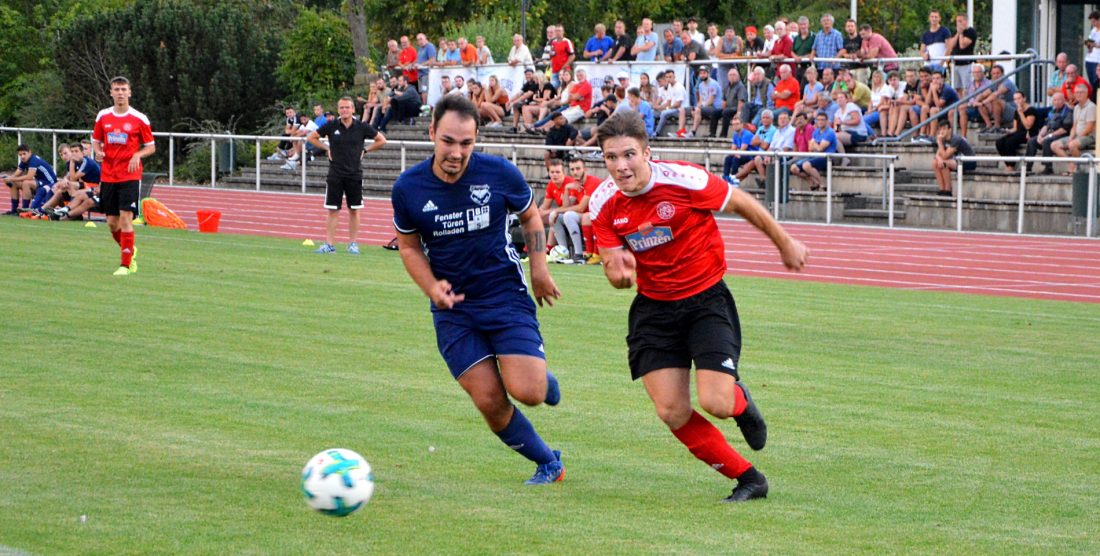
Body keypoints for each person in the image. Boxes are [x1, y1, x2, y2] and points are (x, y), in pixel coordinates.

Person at [588, 110, 808, 503]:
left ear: (647, 152)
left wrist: (784, 242)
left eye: (628, 155)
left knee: (716, 403)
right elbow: (613, 265)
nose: (620, 167)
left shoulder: (684, 179)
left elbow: (741, 202)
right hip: (654, 309)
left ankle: (740, 404)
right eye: (610, 158)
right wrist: (617, 274)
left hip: (705, 299)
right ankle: (749, 480)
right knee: (672, 411)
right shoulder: (603, 202)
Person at [389, 95, 565, 486]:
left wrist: (539, 268)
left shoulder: (499, 173)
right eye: (448, 141)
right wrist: (432, 287)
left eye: (466, 143)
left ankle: (542, 380)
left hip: (504, 295)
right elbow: (409, 246)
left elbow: (531, 217)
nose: (456, 152)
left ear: (476, 139)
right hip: (454, 311)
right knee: (489, 399)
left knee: (529, 392)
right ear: (432, 132)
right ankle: (547, 462)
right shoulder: (408, 188)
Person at [90, 76, 155, 276]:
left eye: (123, 89)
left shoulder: (139, 118)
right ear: (111, 92)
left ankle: (125, 265)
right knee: (112, 223)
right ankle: (130, 249)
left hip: (130, 176)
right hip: (108, 175)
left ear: (129, 92)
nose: (120, 93)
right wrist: (98, 151)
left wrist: (137, 154)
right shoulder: (103, 116)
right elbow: (95, 139)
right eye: (116, 89)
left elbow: (151, 147)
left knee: (126, 219)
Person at [306, 97, 386, 255]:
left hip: (354, 174)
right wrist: (326, 148)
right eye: (341, 107)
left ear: (353, 109)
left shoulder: (362, 127)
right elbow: (311, 137)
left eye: (347, 107)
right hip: (335, 174)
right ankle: (329, 244)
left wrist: (366, 150)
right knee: (332, 210)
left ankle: (353, 243)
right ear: (338, 110)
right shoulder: (331, 125)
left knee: (354, 210)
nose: (344, 110)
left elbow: (381, 140)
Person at [1051, 83, 1096, 174]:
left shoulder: (1091, 107)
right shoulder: (1076, 107)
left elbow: (1089, 127)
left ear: (1086, 93)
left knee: (1072, 145)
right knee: (1054, 145)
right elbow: (1074, 125)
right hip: (1077, 136)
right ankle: (1071, 164)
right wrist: (1071, 136)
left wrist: (1076, 139)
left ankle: (1077, 168)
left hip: (1088, 136)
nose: (1078, 95)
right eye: (1076, 93)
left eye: (1081, 92)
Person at [3, 144, 58, 217]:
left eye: (24, 154)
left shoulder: (33, 160)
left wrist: (12, 178)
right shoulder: (24, 160)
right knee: (13, 183)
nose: (22, 156)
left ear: (30, 152)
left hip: (49, 182)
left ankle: (24, 209)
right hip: (40, 180)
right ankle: (14, 210)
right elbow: (17, 173)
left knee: (26, 183)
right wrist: (8, 179)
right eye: (20, 155)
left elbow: (29, 176)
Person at [790, 112, 838, 191]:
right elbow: (810, 147)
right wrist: (815, 145)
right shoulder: (816, 132)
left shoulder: (830, 132)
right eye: (818, 120)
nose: (820, 122)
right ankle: (811, 182)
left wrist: (814, 143)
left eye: (823, 120)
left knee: (806, 165)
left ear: (827, 121)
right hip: (815, 156)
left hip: (827, 157)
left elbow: (820, 149)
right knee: (793, 168)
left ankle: (822, 183)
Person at [995, 91, 1042, 172]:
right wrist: (1008, 131)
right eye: (1015, 99)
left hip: (1028, 133)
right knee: (999, 142)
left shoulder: (1031, 110)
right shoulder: (1016, 111)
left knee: (1009, 142)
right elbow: (1015, 128)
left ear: (1024, 98)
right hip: (1019, 132)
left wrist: (1021, 113)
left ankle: (1012, 165)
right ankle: (1008, 164)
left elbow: (1028, 125)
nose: (1017, 101)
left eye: (1019, 98)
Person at [1028, 92, 1072, 174]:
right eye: (1054, 100)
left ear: (1064, 100)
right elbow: (1046, 126)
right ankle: (1027, 167)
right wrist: (1040, 135)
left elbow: (1064, 129)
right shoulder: (1052, 111)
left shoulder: (1068, 112)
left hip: (1062, 135)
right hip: (1049, 134)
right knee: (1032, 141)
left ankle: (1048, 168)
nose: (1056, 102)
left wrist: (1048, 136)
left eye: (1059, 100)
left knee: (1047, 141)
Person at [932, 124, 975, 195]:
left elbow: (945, 156)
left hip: (968, 161)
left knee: (944, 163)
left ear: (949, 130)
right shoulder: (943, 139)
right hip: (956, 161)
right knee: (934, 162)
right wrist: (939, 159)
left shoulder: (956, 139)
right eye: (940, 129)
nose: (941, 131)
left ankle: (948, 190)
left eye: (944, 129)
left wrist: (939, 143)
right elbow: (937, 155)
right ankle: (942, 189)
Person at [946, 14, 977, 91]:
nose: (958, 23)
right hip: (955, 63)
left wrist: (961, 33)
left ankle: (967, 102)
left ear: (966, 21)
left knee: (967, 87)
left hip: (966, 64)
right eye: (957, 21)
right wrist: (958, 33)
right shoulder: (956, 32)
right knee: (956, 88)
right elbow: (951, 45)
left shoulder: (971, 32)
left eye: (960, 21)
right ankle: (959, 102)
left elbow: (962, 45)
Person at [722, 116, 757, 181]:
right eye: (733, 125)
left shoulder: (746, 134)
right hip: (743, 154)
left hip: (752, 155)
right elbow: (733, 150)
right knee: (728, 158)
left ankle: (733, 178)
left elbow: (743, 149)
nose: (735, 126)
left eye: (737, 124)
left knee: (736, 159)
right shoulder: (735, 134)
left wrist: (735, 153)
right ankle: (725, 177)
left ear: (741, 124)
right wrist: (734, 153)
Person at [1086, 12, 1100, 91]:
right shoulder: (1093, 30)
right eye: (1091, 22)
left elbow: (1096, 44)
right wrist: (1089, 45)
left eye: (1094, 21)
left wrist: (1095, 45)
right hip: (1090, 59)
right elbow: (1090, 41)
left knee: (1097, 81)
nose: (1093, 23)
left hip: (1098, 60)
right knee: (1093, 83)